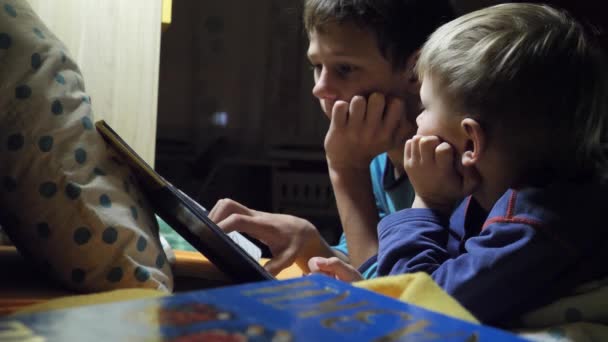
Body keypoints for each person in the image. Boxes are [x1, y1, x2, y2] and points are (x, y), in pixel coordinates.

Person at [308, 3, 608, 324]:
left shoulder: (535, 225)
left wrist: (426, 203)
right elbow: (445, 277)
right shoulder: (496, 193)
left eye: (425, 108)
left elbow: (416, 307)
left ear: (470, 143)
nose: (418, 120)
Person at [207, 0, 455, 277]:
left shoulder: (450, 167)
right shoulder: (377, 159)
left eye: (344, 69)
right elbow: (366, 264)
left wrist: (345, 169)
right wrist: (309, 243)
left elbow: (395, 293)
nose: (320, 88)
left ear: (416, 72)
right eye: (316, 66)